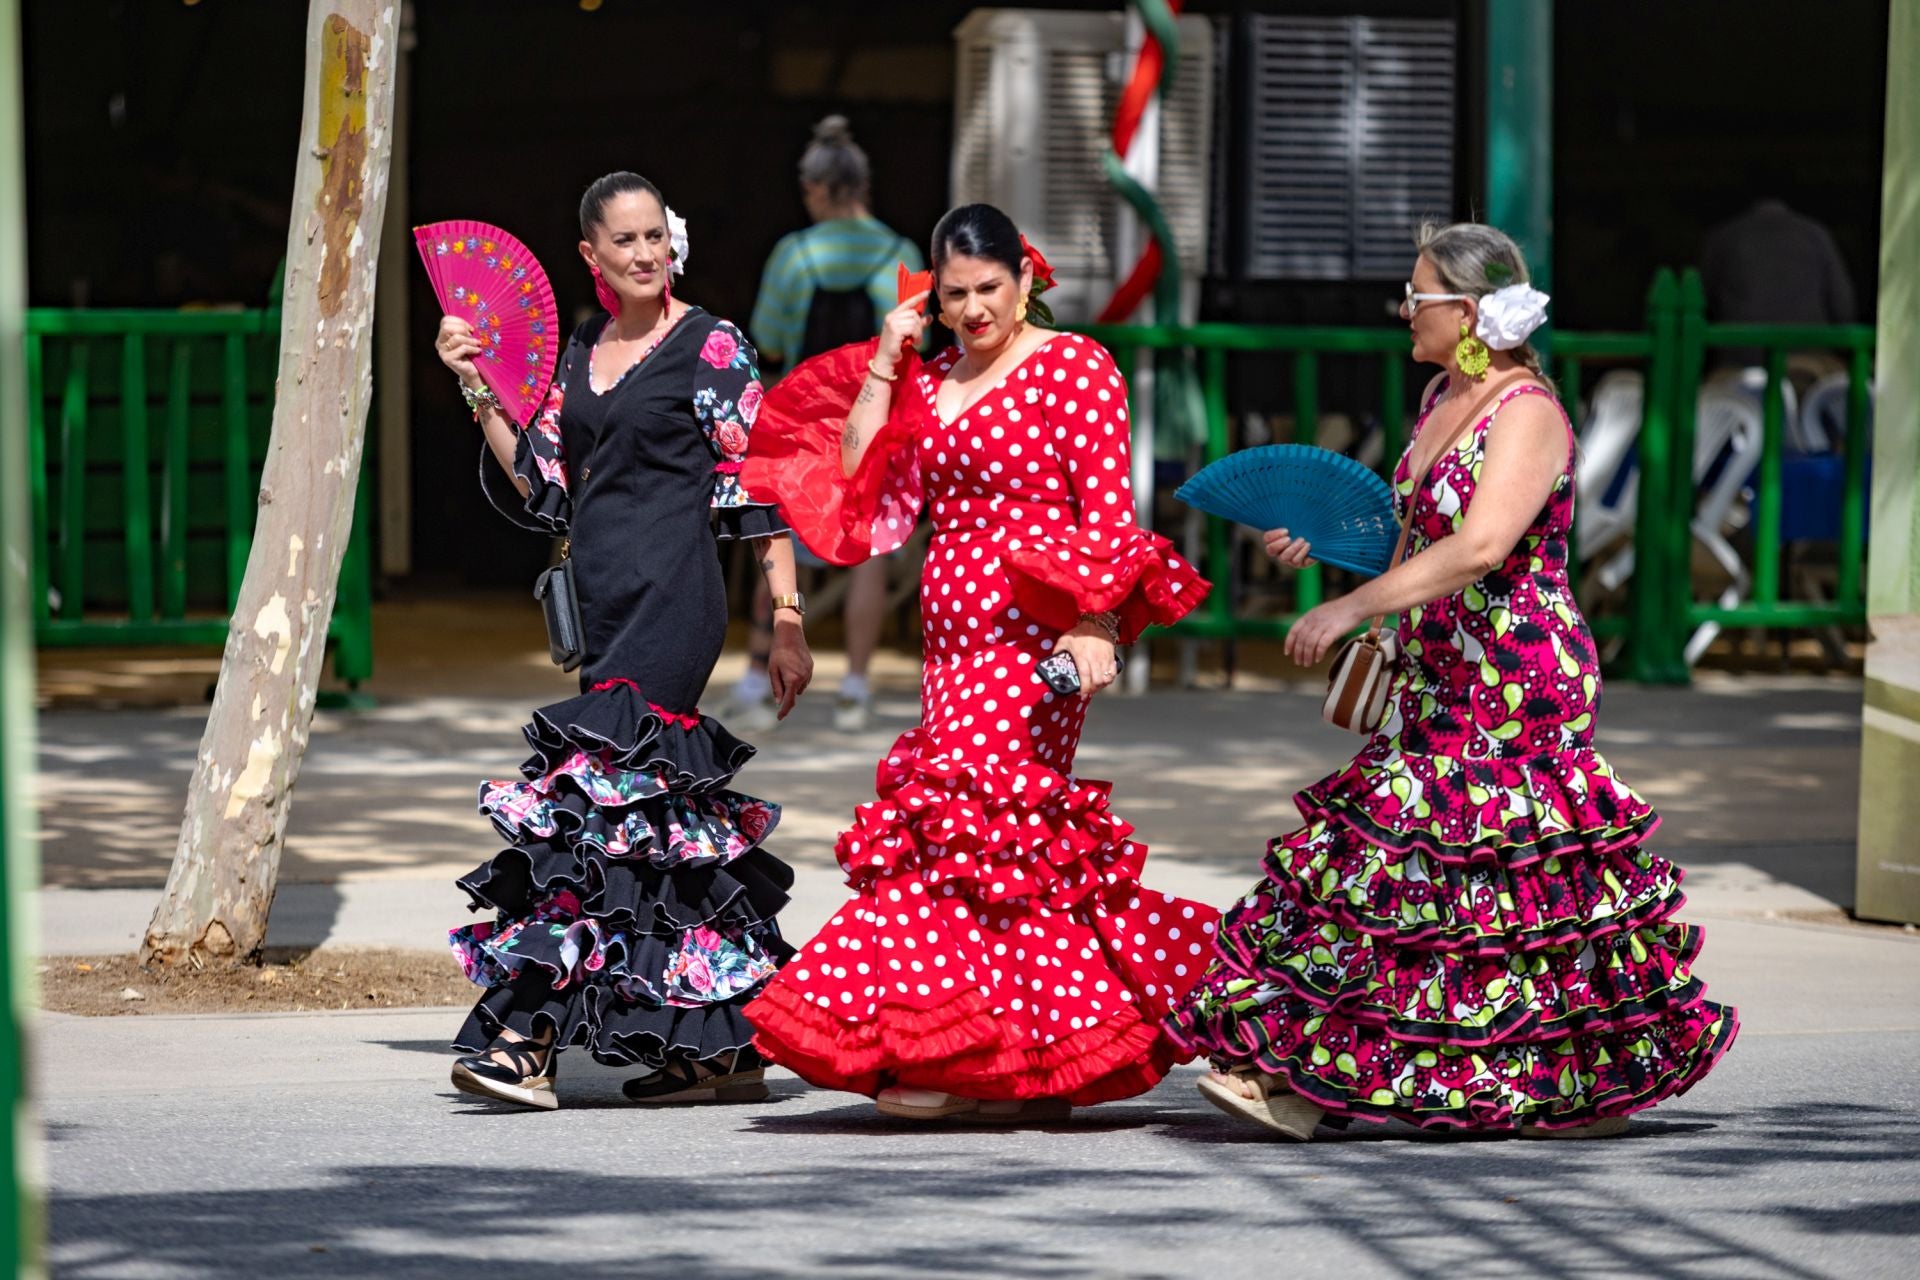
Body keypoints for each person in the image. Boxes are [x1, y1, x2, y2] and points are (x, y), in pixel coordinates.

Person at [1164, 222, 1739, 1140]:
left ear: (1467, 312)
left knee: (1470, 883)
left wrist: (1351, 611)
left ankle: (1310, 1084)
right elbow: (1417, 535)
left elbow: (1478, 547)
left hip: (1516, 676)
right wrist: (1334, 558)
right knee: (1429, 890)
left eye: (1417, 295)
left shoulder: (1528, 412)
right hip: (1439, 669)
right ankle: (1541, 1076)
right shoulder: (1442, 395)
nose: (1404, 310)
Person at [739, 204, 1213, 1123]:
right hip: (950, 640)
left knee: (968, 822)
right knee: (991, 850)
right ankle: (1015, 1064)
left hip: (1038, 637)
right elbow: (856, 473)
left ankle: (963, 1051)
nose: (972, 309)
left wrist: (1099, 624)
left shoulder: (1075, 366)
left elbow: (1109, 513)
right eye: (952, 295)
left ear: (1025, 279)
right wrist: (888, 352)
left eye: (988, 289)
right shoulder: (935, 372)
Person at [435, 172, 813, 1111]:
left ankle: (526, 1036)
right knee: (644, 823)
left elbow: (759, 485)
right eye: (627, 241)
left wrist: (789, 616)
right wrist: (475, 384)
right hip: (601, 607)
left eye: (657, 236)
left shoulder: (711, 344)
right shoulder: (581, 349)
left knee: (590, 810)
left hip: (675, 603)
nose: (647, 254)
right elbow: (542, 483)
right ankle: (721, 1049)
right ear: (590, 256)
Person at [733, 115, 926, 733]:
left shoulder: (794, 255)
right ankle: (856, 685)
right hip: (875, 423)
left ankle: (759, 673)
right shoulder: (899, 254)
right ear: (862, 186)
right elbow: (910, 340)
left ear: (814, 189)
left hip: (803, 422)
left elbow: (769, 338)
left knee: (778, 537)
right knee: (868, 550)